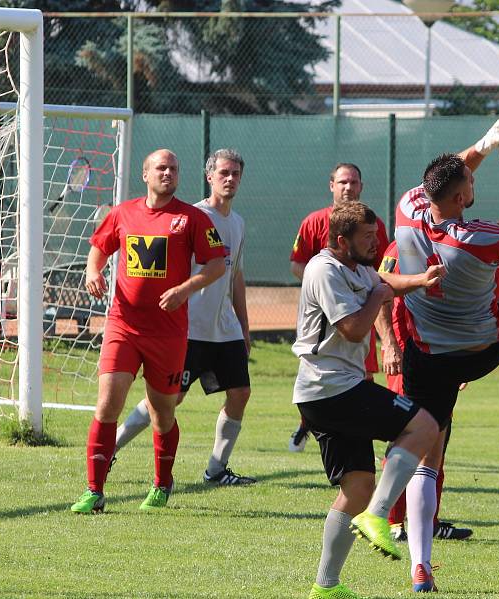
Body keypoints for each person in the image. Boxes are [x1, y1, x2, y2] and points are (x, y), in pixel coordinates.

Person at [393, 111, 499, 592]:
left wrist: (486, 143)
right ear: (462, 197)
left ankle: (418, 563)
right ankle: (419, 559)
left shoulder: (408, 207)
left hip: (427, 353)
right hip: (482, 348)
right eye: (468, 183)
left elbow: (448, 178)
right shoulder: (481, 236)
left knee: (427, 454)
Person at [294, 202, 445, 599]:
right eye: (367, 237)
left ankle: (325, 587)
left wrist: (421, 280)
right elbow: (352, 327)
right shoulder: (323, 270)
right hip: (332, 389)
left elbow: (385, 281)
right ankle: (378, 516)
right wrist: (379, 296)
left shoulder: (357, 266)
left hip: (328, 391)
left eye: (376, 234)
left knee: (357, 485)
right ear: (342, 241)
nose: (375, 242)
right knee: (426, 426)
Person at [70, 149, 227, 513]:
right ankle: (94, 491)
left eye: (173, 168)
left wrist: (184, 289)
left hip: (168, 334)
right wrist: (93, 272)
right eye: (161, 168)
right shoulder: (123, 213)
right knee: (108, 403)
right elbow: (99, 248)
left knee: (162, 415)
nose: (168, 173)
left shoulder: (192, 218)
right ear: (145, 174)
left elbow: (217, 265)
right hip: (123, 325)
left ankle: (162, 482)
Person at [110, 149, 256, 486]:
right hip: (189, 329)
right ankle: (112, 446)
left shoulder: (238, 223)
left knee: (240, 393)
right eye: (224, 173)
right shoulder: (192, 217)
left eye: (235, 173)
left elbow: (235, 277)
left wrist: (244, 327)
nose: (230, 179)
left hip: (225, 330)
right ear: (209, 177)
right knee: (169, 399)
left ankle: (216, 470)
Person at [287, 163, 390, 453]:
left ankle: (353, 436)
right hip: (327, 320)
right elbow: (297, 263)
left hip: (360, 312)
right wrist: (327, 286)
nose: (348, 188)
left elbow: (381, 274)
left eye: (354, 183)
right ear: (331, 185)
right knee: (318, 370)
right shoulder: (314, 222)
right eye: (343, 182)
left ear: (361, 187)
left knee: (363, 375)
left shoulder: (374, 224)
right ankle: (309, 422)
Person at [378, 242, 473, 544]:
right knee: (405, 435)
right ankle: (391, 520)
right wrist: (389, 342)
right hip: (408, 355)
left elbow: (461, 305)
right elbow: (380, 291)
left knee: (438, 436)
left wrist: (462, 359)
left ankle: (429, 522)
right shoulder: (399, 247)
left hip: (441, 357)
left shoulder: (454, 246)